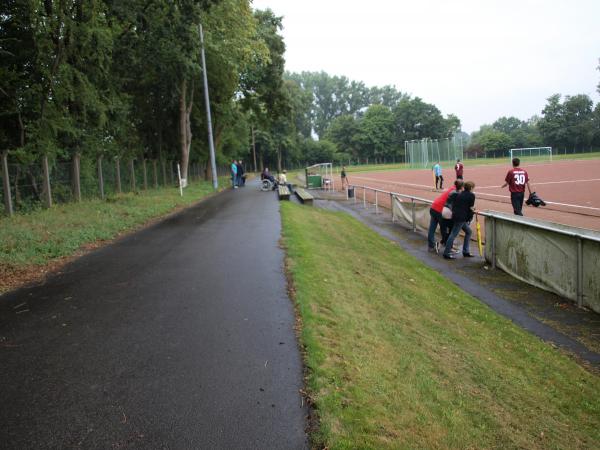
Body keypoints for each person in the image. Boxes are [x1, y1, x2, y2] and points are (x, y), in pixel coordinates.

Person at [427, 180, 464, 253]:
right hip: (440, 210)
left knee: (432, 228)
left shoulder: (452, 188)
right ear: (461, 186)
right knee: (445, 230)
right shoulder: (456, 192)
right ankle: (447, 246)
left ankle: (431, 245)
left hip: (434, 207)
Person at [443, 181, 476, 260]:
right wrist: (473, 210)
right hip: (461, 217)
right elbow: (471, 207)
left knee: (469, 232)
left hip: (456, 216)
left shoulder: (459, 194)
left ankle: (465, 251)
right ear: (471, 188)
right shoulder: (471, 195)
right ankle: (446, 253)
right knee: (453, 234)